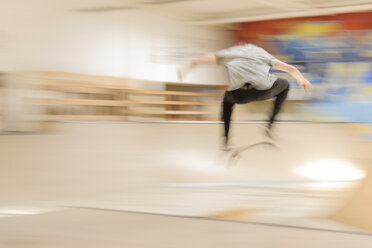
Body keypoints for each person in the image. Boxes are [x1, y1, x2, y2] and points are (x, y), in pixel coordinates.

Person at [178, 43, 312, 150]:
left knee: (226, 100)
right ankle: (270, 123)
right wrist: (302, 80)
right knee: (285, 84)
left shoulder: (230, 53)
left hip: (239, 95)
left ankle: (225, 141)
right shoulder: (262, 53)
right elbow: (291, 69)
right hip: (263, 91)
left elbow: (198, 59)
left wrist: (186, 67)